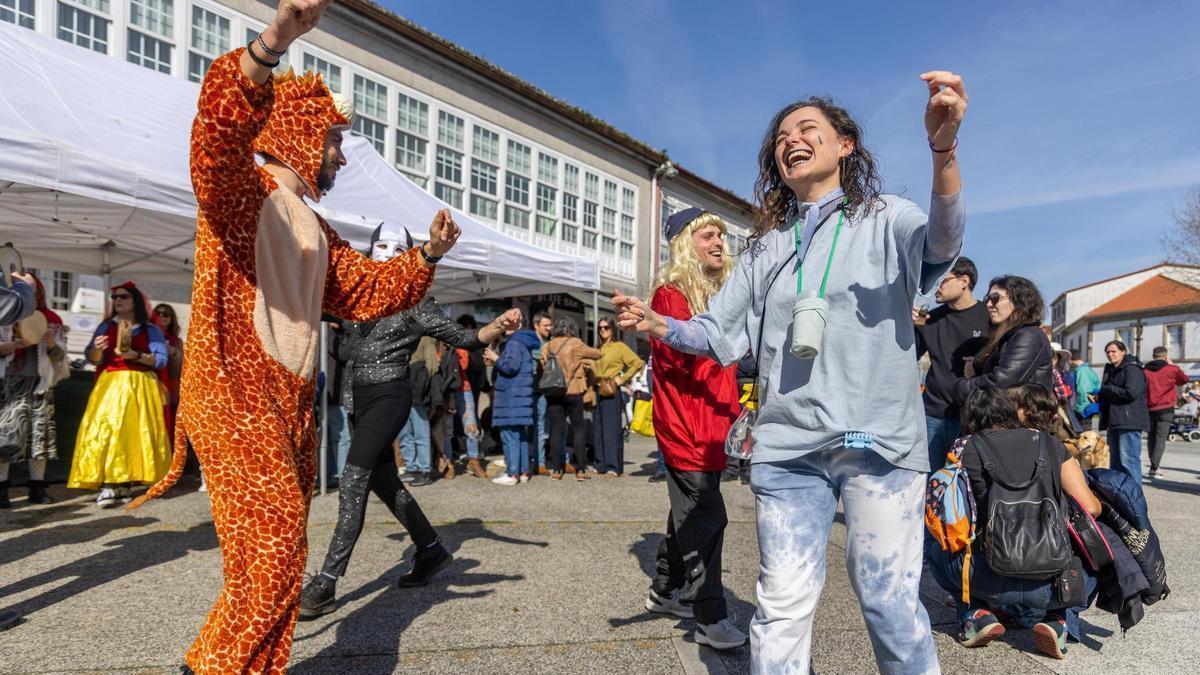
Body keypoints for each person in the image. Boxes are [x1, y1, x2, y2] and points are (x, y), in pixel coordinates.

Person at [127, 2, 459, 670]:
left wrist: (425, 256)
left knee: (268, 563)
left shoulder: (313, 227)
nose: (340, 155)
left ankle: (222, 665)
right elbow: (215, 139)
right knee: (277, 553)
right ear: (305, 131)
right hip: (235, 397)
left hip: (282, 407)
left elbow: (367, 290)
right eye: (335, 139)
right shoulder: (245, 191)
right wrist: (274, 40)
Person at [617, 73, 967, 669]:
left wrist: (944, 150)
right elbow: (716, 333)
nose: (791, 141)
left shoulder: (885, 217)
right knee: (780, 605)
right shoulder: (763, 249)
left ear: (844, 146)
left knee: (886, 598)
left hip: (876, 442)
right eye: (781, 136)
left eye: (808, 129)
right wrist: (659, 325)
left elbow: (942, 241)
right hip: (786, 448)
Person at [300, 223, 519, 619]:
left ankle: (327, 583)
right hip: (357, 397)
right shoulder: (355, 293)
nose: (386, 252)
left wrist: (495, 327)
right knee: (383, 480)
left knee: (353, 480)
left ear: (409, 253)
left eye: (396, 247)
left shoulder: (416, 299)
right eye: (380, 245)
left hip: (389, 395)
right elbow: (313, 301)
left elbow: (464, 338)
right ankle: (430, 549)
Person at [620, 206, 745, 650]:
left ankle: (663, 589)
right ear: (684, 245)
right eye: (707, 235)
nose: (718, 243)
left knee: (687, 513)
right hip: (687, 429)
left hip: (714, 428)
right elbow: (685, 359)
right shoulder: (672, 296)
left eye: (721, 235)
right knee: (709, 517)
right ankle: (709, 616)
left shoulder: (718, 297)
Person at [925, 385, 1100, 660]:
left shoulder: (964, 448)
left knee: (936, 553)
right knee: (1095, 556)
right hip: (1051, 584)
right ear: (1009, 412)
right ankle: (1058, 619)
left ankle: (976, 614)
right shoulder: (1051, 444)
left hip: (987, 577)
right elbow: (1090, 508)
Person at [68, 281, 171, 506]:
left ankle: (123, 483)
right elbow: (92, 358)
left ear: (135, 301)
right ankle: (109, 482)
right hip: (111, 384)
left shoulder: (150, 329)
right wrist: (97, 348)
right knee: (107, 430)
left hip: (140, 384)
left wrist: (135, 355)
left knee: (134, 434)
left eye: (123, 296)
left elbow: (161, 359)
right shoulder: (106, 327)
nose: (118, 301)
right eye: (115, 297)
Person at [916, 256, 990, 469]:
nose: (935, 288)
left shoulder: (989, 318)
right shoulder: (928, 320)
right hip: (932, 415)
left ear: (964, 281)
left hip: (974, 417)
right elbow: (906, 356)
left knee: (969, 486)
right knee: (931, 484)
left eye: (941, 280)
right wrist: (907, 324)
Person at [0, 277, 68, 507]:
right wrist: (6, 348)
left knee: (39, 439)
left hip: (40, 383)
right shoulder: (4, 313)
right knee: (6, 439)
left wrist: (50, 341)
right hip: (9, 383)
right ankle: (2, 491)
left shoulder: (51, 320)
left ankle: (37, 489)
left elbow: (60, 358)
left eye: (30, 287)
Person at [953, 275, 1054, 402]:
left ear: (1019, 301)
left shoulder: (1028, 335)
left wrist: (960, 387)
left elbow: (1002, 382)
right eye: (987, 299)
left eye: (995, 298)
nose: (989, 304)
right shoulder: (1010, 335)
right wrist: (978, 365)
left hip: (1021, 418)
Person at [540, 316, 603, 481]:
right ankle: (580, 470)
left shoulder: (548, 344)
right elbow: (598, 354)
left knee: (556, 431)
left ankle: (556, 470)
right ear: (573, 328)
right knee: (578, 430)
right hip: (574, 391)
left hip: (554, 391)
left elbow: (542, 364)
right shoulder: (576, 343)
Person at [489, 318, 542, 485]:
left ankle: (512, 474)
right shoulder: (523, 342)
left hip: (511, 397)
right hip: (519, 396)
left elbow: (510, 366)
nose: (505, 326)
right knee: (520, 435)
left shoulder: (513, 343)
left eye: (510, 323)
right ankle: (523, 472)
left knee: (509, 435)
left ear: (518, 325)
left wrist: (495, 358)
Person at [592, 317, 644, 476]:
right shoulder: (598, 348)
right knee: (598, 429)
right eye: (600, 328)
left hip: (612, 390)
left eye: (606, 327)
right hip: (597, 389)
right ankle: (600, 464)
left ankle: (613, 466)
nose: (602, 331)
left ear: (612, 329)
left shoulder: (619, 347)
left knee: (611, 430)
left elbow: (637, 362)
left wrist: (622, 379)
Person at [1099, 340, 1149, 482]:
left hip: (1129, 421)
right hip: (1114, 420)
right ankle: (1119, 496)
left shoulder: (1133, 369)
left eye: (1113, 351)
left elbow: (1131, 392)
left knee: (1129, 461)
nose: (1110, 354)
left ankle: (1135, 496)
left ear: (1123, 352)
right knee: (1115, 463)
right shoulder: (1111, 369)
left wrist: (1107, 389)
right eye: (1108, 352)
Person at [398, 336, 439, 486]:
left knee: (420, 433)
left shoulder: (425, 338)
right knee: (404, 433)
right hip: (402, 391)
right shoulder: (403, 336)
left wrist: (420, 386)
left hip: (416, 393)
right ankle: (411, 467)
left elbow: (432, 366)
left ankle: (424, 470)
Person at [1143, 346, 1188, 478]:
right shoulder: (1171, 369)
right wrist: (1172, 364)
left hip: (1149, 408)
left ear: (1153, 356)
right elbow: (1184, 380)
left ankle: (1153, 463)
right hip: (1166, 407)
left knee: (1151, 437)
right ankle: (1154, 467)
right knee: (1160, 438)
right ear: (1165, 356)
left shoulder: (1145, 370)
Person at [531, 312, 553, 473]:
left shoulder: (549, 342)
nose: (549, 328)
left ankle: (540, 461)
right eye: (545, 325)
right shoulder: (532, 343)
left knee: (542, 427)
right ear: (536, 326)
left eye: (550, 325)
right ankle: (538, 461)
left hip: (544, 391)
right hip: (533, 390)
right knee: (538, 427)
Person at [1072, 354, 1102, 423]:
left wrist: (1080, 409)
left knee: (1084, 431)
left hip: (1085, 408)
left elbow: (1083, 391)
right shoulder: (1088, 369)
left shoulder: (1082, 371)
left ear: (1070, 360)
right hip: (1090, 406)